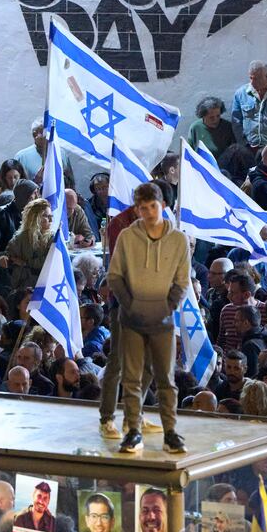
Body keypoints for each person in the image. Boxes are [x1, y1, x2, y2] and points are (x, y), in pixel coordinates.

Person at [105, 183, 190, 454]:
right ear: (137, 210)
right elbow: (114, 276)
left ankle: (171, 432)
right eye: (143, 208)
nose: (149, 212)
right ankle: (133, 431)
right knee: (130, 377)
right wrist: (130, 306)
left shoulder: (179, 240)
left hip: (163, 320)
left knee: (165, 378)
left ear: (162, 205)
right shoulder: (128, 238)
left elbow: (182, 280)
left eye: (153, 206)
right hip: (131, 319)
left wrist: (168, 306)